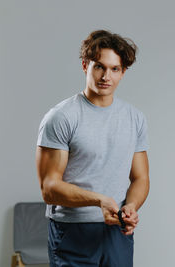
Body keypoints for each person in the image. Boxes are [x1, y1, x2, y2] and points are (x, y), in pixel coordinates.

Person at [35, 29, 150, 267]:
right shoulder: (62, 117)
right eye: (99, 66)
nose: (106, 76)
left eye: (114, 69)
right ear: (85, 65)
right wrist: (99, 201)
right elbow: (49, 188)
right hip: (72, 231)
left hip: (116, 230)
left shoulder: (135, 118)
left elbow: (141, 177)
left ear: (123, 72)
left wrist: (130, 207)